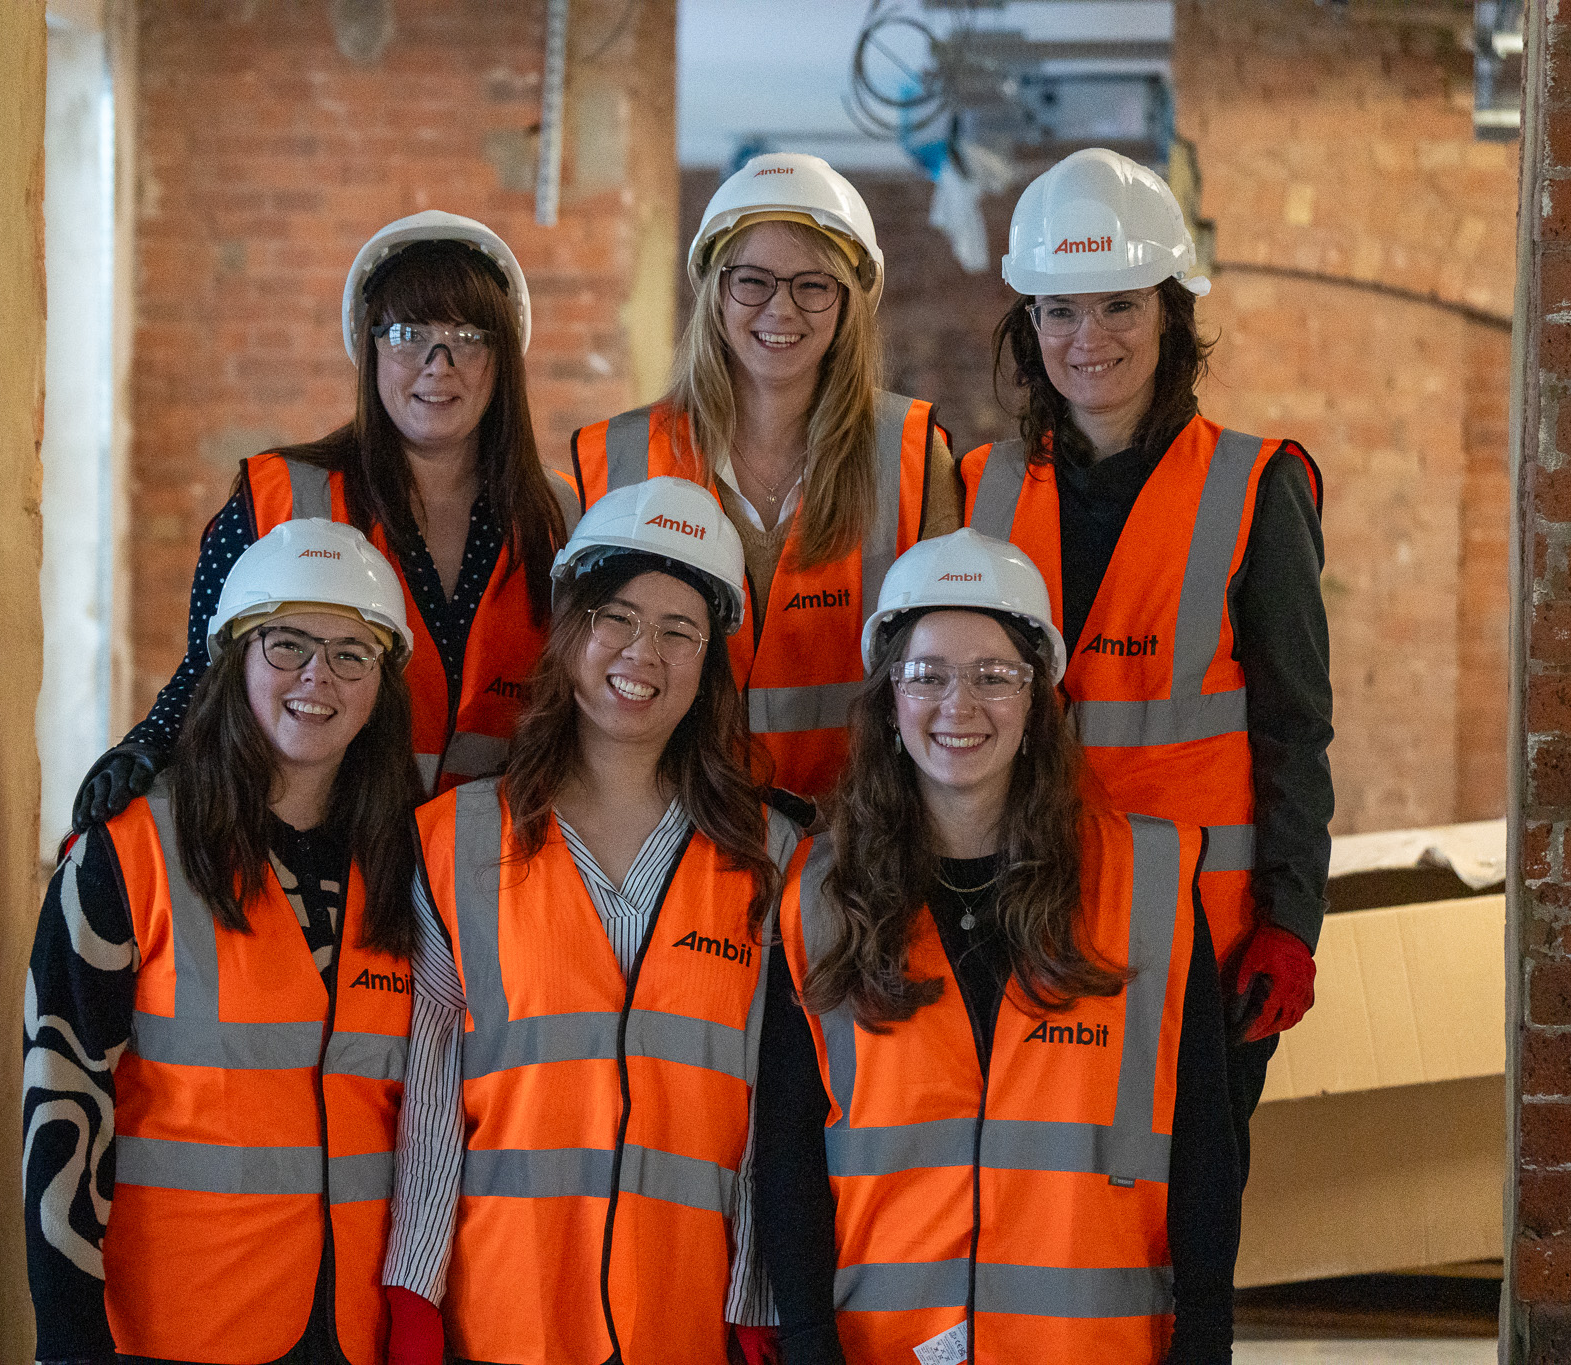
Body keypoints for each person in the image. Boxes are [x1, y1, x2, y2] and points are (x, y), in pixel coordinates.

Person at [757, 529, 1240, 1364]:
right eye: (928, 675)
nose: (959, 705)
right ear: (889, 700)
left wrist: (1208, 1334)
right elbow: (788, 1150)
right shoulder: (816, 894)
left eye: (995, 676)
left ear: (1038, 699)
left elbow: (1203, 1138)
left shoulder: (1149, 883)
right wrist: (805, 1339)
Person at [381, 477, 801, 1365]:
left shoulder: (775, 856)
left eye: (680, 630)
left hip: (686, 1322)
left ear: (708, 663)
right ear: (570, 632)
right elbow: (427, 1102)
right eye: (616, 616)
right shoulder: (454, 839)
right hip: (504, 1315)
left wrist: (759, 1297)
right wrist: (413, 1295)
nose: (642, 651)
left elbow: (778, 1106)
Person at [961, 147, 1331, 1153]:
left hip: (1199, 950)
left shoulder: (1257, 488)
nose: (1089, 338)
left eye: (1118, 305)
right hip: (1009, 925)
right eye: (1059, 310)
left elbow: (1295, 734)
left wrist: (1291, 922)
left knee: (1181, 1241)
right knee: (1038, 1224)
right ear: (1027, 325)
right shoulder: (971, 492)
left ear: (1170, 314)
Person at [23, 519, 426, 1365]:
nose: (318, 675)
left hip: (351, 1330)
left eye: (353, 653)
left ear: (382, 684)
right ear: (234, 658)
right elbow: (62, 1102)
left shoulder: (404, 866)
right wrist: (68, 1341)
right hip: (178, 1326)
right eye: (287, 644)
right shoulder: (126, 851)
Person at [72, 210, 574, 831]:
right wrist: (144, 746)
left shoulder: (565, 521)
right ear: (369, 348)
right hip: (323, 854)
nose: (438, 364)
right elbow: (209, 670)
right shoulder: (277, 497)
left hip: (492, 870)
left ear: (503, 360)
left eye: (469, 336)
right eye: (408, 334)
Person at [570, 152, 963, 803]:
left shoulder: (914, 457)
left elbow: (947, 673)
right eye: (752, 281)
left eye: (813, 284)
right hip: (670, 844)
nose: (781, 308)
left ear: (848, 303)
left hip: (855, 846)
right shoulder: (616, 458)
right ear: (715, 292)